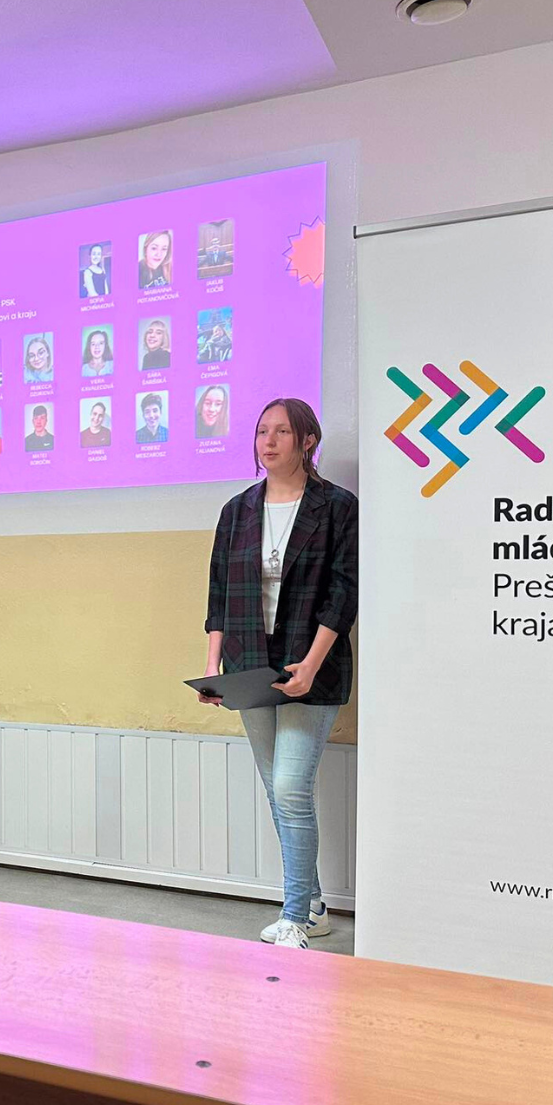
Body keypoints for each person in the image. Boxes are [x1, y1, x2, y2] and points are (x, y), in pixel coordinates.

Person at [199, 399, 357, 949]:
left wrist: (311, 664)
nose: (268, 441)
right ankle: (312, 905)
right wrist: (213, 666)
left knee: (290, 786)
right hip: (249, 665)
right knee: (279, 789)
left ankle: (294, 916)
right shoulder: (237, 510)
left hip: (312, 665)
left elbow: (343, 593)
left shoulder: (336, 507)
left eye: (282, 432)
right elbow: (219, 593)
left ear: (308, 440)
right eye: (262, 431)